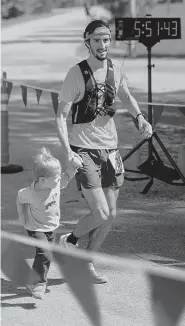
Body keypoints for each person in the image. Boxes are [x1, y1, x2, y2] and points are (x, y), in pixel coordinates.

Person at [56, 19, 153, 284]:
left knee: (110, 215)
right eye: (97, 40)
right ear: (87, 42)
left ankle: (86, 262)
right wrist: (67, 151)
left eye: (106, 39)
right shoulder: (76, 73)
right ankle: (70, 240)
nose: (102, 45)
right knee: (99, 212)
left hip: (110, 149)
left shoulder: (115, 68)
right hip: (84, 149)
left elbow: (126, 96)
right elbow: (61, 116)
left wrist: (140, 118)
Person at [16, 147, 80, 299]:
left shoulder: (54, 183)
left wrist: (74, 166)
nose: (59, 179)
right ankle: (39, 283)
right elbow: (19, 197)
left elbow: (66, 177)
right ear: (43, 180)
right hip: (35, 227)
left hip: (51, 226)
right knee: (45, 252)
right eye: (56, 177)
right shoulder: (29, 193)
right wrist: (21, 215)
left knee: (45, 255)